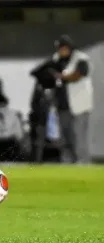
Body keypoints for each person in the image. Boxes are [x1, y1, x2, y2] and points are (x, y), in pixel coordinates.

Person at [49, 35, 93, 163]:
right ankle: (67, 165)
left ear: (70, 48)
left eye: (64, 48)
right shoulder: (56, 59)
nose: (61, 51)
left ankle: (83, 164)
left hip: (80, 105)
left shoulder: (81, 59)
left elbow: (77, 76)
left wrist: (61, 76)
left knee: (79, 138)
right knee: (65, 139)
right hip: (63, 106)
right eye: (59, 48)